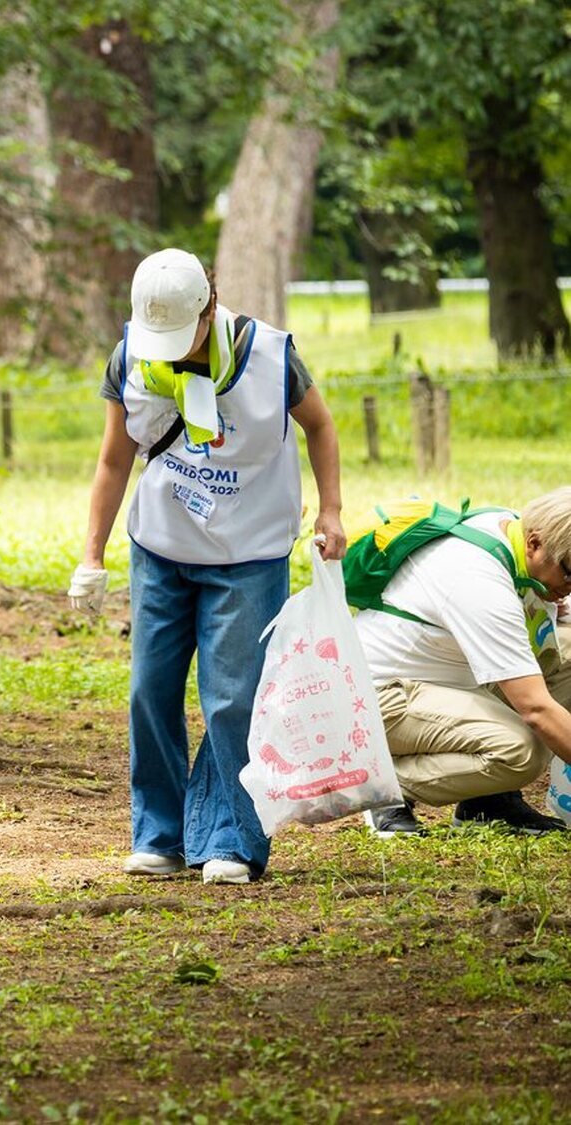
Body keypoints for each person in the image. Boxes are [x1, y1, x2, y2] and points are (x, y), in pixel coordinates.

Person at [68, 248, 345, 885]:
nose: (167, 351)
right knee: (149, 691)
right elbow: (114, 461)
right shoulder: (131, 358)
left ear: (210, 308)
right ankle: (159, 835)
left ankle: (231, 838)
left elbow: (322, 427)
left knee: (231, 700)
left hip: (246, 555)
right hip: (161, 548)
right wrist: (92, 553)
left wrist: (331, 510)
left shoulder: (272, 355)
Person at [353, 489, 571, 836]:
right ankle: (379, 787)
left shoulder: (513, 536)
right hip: (376, 698)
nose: (569, 587)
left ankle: (487, 800)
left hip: (440, 682)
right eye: (569, 572)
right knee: (519, 750)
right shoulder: (478, 579)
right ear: (534, 543)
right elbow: (536, 709)